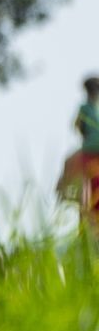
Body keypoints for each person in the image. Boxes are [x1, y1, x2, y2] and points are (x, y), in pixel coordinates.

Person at [59, 76, 99, 232]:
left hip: (92, 154)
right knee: (87, 195)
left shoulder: (91, 108)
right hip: (89, 154)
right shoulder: (84, 108)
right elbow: (77, 126)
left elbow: (77, 127)